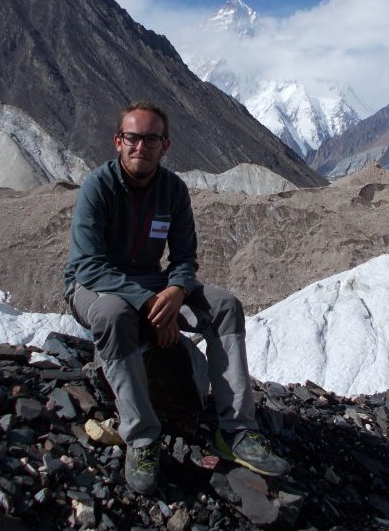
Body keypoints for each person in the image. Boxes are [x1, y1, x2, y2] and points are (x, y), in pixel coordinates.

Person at [63, 101, 289, 495]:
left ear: (165, 146)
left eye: (151, 138)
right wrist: (150, 303)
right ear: (118, 142)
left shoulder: (173, 191)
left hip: (155, 283)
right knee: (115, 315)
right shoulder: (97, 188)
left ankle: (236, 431)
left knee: (224, 306)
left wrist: (175, 290)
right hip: (93, 287)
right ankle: (141, 437)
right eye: (132, 137)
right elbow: (87, 266)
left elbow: (185, 258)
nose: (141, 146)